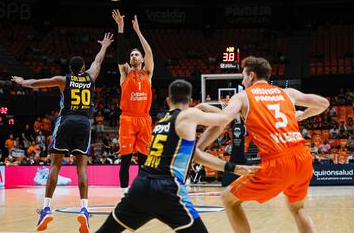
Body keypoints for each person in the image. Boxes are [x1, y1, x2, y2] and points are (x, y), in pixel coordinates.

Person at [95, 79, 259, 233]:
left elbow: (197, 155)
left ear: (168, 100)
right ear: (190, 100)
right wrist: (203, 105)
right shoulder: (188, 115)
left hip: (141, 186)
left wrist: (233, 167)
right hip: (167, 188)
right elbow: (223, 120)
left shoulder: (161, 123)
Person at [197, 56, 329, 233]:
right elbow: (323, 103)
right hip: (302, 157)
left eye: (243, 76)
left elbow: (223, 120)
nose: (243, 81)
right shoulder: (287, 93)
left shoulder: (242, 97)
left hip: (277, 162)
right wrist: (302, 115)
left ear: (251, 75)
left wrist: (196, 113)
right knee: (297, 208)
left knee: (229, 199)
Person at [11, 32, 114, 233]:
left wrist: (23, 81)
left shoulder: (63, 80)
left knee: (55, 165)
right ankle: (84, 209)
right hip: (85, 123)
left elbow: (37, 83)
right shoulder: (91, 77)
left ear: (70, 69)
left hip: (66, 120)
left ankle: (47, 208)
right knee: (81, 168)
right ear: (83, 68)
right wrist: (104, 46)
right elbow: (98, 61)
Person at [112, 9, 154, 195]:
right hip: (128, 119)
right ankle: (123, 195)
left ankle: (143, 193)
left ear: (142, 59)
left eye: (136, 55)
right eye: (132, 55)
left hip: (144, 119)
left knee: (144, 160)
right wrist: (120, 29)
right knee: (126, 160)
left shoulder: (148, 73)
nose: (134, 57)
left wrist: (137, 31)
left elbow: (149, 51)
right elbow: (121, 56)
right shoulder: (125, 73)